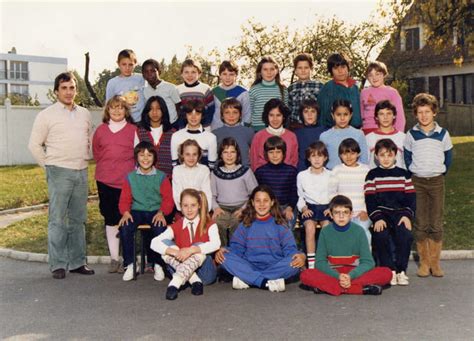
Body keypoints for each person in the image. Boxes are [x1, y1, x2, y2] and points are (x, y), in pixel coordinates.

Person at [28, 72, 94, 279]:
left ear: (76, 90)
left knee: (78, 220)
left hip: (81, 171)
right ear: (56, 91)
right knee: (57, 219)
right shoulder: (46, 115)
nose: (68, 92)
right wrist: (49, 166)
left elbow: (88, 141)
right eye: (64, 88)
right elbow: (34, 145)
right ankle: (57, 264)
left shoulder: (85, 114)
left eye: (72, 87)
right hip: (59, 172)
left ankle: (77, 262)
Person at [215, 185, 305, 292]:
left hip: (275, 266)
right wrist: (225, 250)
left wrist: (301, 256)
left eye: (265, 200)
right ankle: (265, 283)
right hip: (249, 265)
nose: (261, 204)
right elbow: (236, 248)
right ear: (252, 203)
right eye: (258, 201)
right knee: (224, 257)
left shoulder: (281, 224)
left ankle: (248, 279)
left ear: (272, 202)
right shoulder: (245, 224)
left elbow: (290, 250)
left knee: (294, 263)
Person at [300, 195, 392, 296]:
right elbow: (320, 262)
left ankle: (330, 288)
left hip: (355, 272)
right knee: (306, 275)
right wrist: (338, 276)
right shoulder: (325, 232)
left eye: (345, 212)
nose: (341, 216)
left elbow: (368, 262)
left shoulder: (359, 231)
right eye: (337, 212)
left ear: (351, 214)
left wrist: (350, 276)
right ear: (330, 214)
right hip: (333, 273)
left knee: (387, 273)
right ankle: (360, 289)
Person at [404, 93, 453, 277]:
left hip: (436, 182)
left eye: (427, 112)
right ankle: (424, 263)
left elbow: (448, 158)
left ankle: (435, 263)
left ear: (434, 113)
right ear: (415, 114)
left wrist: (438, 171)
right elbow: (407, 157)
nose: (424, 115)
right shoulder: (411, 135)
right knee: (421, 222)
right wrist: (415, 170)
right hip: (417, 182)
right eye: (420, 112)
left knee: (436, 222)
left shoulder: (443, 134)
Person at [118, 142, 174, 281]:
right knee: (125, 227)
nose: (145, 158)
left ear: (154, 158)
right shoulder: (130, 177)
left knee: (160, 228)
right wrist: (125, 212)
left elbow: (168, 199)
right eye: (142, 155)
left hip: (156, 211)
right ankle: (130, 264)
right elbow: (124, 199)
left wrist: (162, 212)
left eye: (149, 155)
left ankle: (158, 264)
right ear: (136, 157)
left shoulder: (162, 177)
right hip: (136, 211)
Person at [151, 189, 221, 300]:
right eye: (185, 205)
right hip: (182, 268)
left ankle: (175, 283)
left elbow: (216, 244)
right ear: (180, 207)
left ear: (199, 205)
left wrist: (191, 250)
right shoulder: (177, 225)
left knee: (198, 246)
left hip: (205, 274)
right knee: (164, 244)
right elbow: (154, 242)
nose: (189, 209)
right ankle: (194, 281)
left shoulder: (210, 224)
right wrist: (175, 252)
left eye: (193, 205)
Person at [92, 95, 136, 273]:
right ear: (107, 110)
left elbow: (140, 156)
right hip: (105, 181)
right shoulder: (101, 130)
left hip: (127, 182)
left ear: (126, 110)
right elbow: (96, 152)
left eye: (121, 107)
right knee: (110, 219)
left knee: (126, 219)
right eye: (113, 107)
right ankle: (114, 258)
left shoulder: (133, 130)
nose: (117, 111)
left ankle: (128, 259)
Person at [365, 139, 415, 285]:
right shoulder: (372, 175)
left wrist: (407, 215)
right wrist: (377, 218)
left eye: (389, 155)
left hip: (400, 213)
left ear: (395, 155)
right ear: (376, 157)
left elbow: (411, 198)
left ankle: (401, 270)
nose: (386, 159)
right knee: (381, 235)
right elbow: (370, 200)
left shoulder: (404, 174)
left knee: (405, 235)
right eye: (382, 155)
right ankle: (389, 270)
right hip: (382, 214)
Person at [211, 137, 258, 246]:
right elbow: (212, 195)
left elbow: (254, 194)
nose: (229, 155)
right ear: (220, 155)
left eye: (232, 152)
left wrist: (243, 209)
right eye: (225, 152)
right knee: (218, 223)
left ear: (237, 154)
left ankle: (235, 252)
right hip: (222, 207)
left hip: (241, 206)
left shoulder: (246, 171)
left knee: (236, 223)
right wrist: (216, 208)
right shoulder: (215, 173)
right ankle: (222, 251)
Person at [329, 138, 371, 244]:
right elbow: (332, 193)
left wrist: (366, 211)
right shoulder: (337, 170)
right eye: (344, 154)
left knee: (362, 231)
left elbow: (370, 194)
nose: (348, 157)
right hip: (342, 214)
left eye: (352, 153)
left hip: (362, 213)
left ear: (358, 154)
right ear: (340, 155)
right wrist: (336, 211)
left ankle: (365, 259)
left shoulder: (366, 170)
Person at [297, 142, 332, 269]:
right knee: (310, 228)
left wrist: (331, 208)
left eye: (320, 156)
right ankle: (311, 264)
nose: (317, 159)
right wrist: (304, 208)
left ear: (325, 158)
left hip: (326, 207)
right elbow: (300, 196)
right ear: (308, 158)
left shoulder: (330, 174)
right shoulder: (302, 175)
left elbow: (334, 194)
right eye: (313, 156)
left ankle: (323, 261)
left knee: (327, 228)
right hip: (310, 207)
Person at [255, 137, 298, 228]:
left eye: (278, 152)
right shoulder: (260, 172)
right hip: (267, 207)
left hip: (286, 206)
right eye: (271, 152)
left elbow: (294, 193)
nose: (275, 156)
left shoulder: (291, 171)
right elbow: (257, 194)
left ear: (284, 153)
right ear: (266, 154)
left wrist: (290, 208)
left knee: (287, 225)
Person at [249, 98, 298, 171]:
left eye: (278, 115)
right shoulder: (258, 136)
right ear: (266, 116)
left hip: (286, 178)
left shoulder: (291, 136)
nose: (275, 119)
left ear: (283, 117)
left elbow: (294, 162)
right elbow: (254, 162)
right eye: (271, 115)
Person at [320, 99, 368, 170]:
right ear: (333, 115)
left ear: (351, 115)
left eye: (345, 114)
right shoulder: (324, 136)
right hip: (332, 175)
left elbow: (364, 159)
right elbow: (321, 160)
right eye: (338, 114)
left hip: (354, 175)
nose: (342, 118)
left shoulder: (359, 134)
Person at [135, 96, 175, 179]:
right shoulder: (139, 132)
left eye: (158, 109)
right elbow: (136, 158)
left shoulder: (173, 133)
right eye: (151, 109)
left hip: (167, 180)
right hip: (145, 179)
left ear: (163, 111)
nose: (154, 112)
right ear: (147, 112)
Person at [170, 99, 217, 169]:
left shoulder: (211, 137)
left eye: (197, 114)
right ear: (185, 115)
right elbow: (175, 165)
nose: (193, 117)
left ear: (202, 115)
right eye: (190, 114)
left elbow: (211, 167)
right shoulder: (176, 136)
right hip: (181, 178)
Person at [360, 61, 405, 134]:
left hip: (386, 130)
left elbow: (400, 117)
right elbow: (361, 114)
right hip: (366, 130)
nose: (374, 78)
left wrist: (399, 135)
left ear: (384, 74)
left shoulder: (392, 92)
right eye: (370, 75)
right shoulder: (363, 92)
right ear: (367, 77)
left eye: (377, 74)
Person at [318, 53, 362, 128]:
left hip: (355, 132)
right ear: (331, 71)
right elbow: (323, 116)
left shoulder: (354, 88)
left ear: (348, 67)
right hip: (335, 132)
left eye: (343, 67)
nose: (340, 71)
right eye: (335, 68)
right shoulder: (328, 88)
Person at [212, 98, 255, 167]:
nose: (231, 116)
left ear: (240, 115)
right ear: (222, 115)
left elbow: (254, 154)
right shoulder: (215, 134)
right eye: (227, 112)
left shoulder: (249, 132)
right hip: (222, 172)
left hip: (244, 171)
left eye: (235, 112)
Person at [249, 56, 288, 131]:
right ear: (260, 72)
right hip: (258, 129)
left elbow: (285, 113)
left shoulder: (283, 89)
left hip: (277, 130)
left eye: (272, 69)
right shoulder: (254, 89)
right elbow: (250, 111)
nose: (269, 72)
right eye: (265, 69)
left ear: (276, 71)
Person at [172, 139, 212, 212]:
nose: (191, 158)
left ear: (199, 155)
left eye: (194, 154)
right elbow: (177, 195)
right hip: (183, 211)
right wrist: (186, 210)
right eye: (187, 154)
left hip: (201, 210)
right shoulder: (177, 170)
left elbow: (207, 195)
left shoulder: (204, 170)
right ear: (182, 155)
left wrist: (204, 212)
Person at [106, 49, 145, 123]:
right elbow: (108, 106)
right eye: (124, 64)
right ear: (118, 63)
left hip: (141, 122)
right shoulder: (112, 83)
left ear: (135, 63)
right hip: (122, 123)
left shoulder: (142, 79)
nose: (127, 68)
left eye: (130, 64)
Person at [366, 100, 406, 169]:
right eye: (381, 114)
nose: (385, 117)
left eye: (389, 113)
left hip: (398, 178)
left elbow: (406, 164)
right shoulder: (368, 138)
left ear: (394, 116)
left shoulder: (404, 137)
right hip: (375, 178)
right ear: (376, 117)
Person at [141, 59, 181, 129]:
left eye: (153, 71)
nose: (149, 74)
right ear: (143, 75)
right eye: (146, 72)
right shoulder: (145, 90)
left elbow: (178, 106)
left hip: (172, 124)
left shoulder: (171, 87)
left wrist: (177, 123)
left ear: (159, 72)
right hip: (156, 127)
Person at [211, 60, 251, 129]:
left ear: (236, 75)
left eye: (231, 74)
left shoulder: (243, 93)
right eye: (224, 74)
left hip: (237, 131)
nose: (227, 77)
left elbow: (247, 115)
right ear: (220, 75)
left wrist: (242, 129)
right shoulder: (214, 92)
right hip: (217, 131)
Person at [176, 59, 215, 129]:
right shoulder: (177, 90)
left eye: (193, 72)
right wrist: (181, 127)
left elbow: (211, 111)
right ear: (182, 74)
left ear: (199, 74)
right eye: (186, 72)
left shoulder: (206, 89)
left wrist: (205, 126)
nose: (190, 75)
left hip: (203, 129)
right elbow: (177, 112)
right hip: (183, 129)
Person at [288, 53, 324, 128]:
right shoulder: (291, 88)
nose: (303, 70)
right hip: (296, 125)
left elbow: (323, 107)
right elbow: (289, 108)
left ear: (311, 69)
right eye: (300, 68)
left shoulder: (319, 86)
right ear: (295, 70)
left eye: (306, 68)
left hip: (315, 126)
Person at [294, 99, 327, 172]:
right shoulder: (296, 133)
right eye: (306, 112)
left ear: (317, 113)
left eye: (313, 111)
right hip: (302, 169)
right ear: (301, 114)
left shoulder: (325, 131)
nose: (309, 115)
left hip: (321, 169)